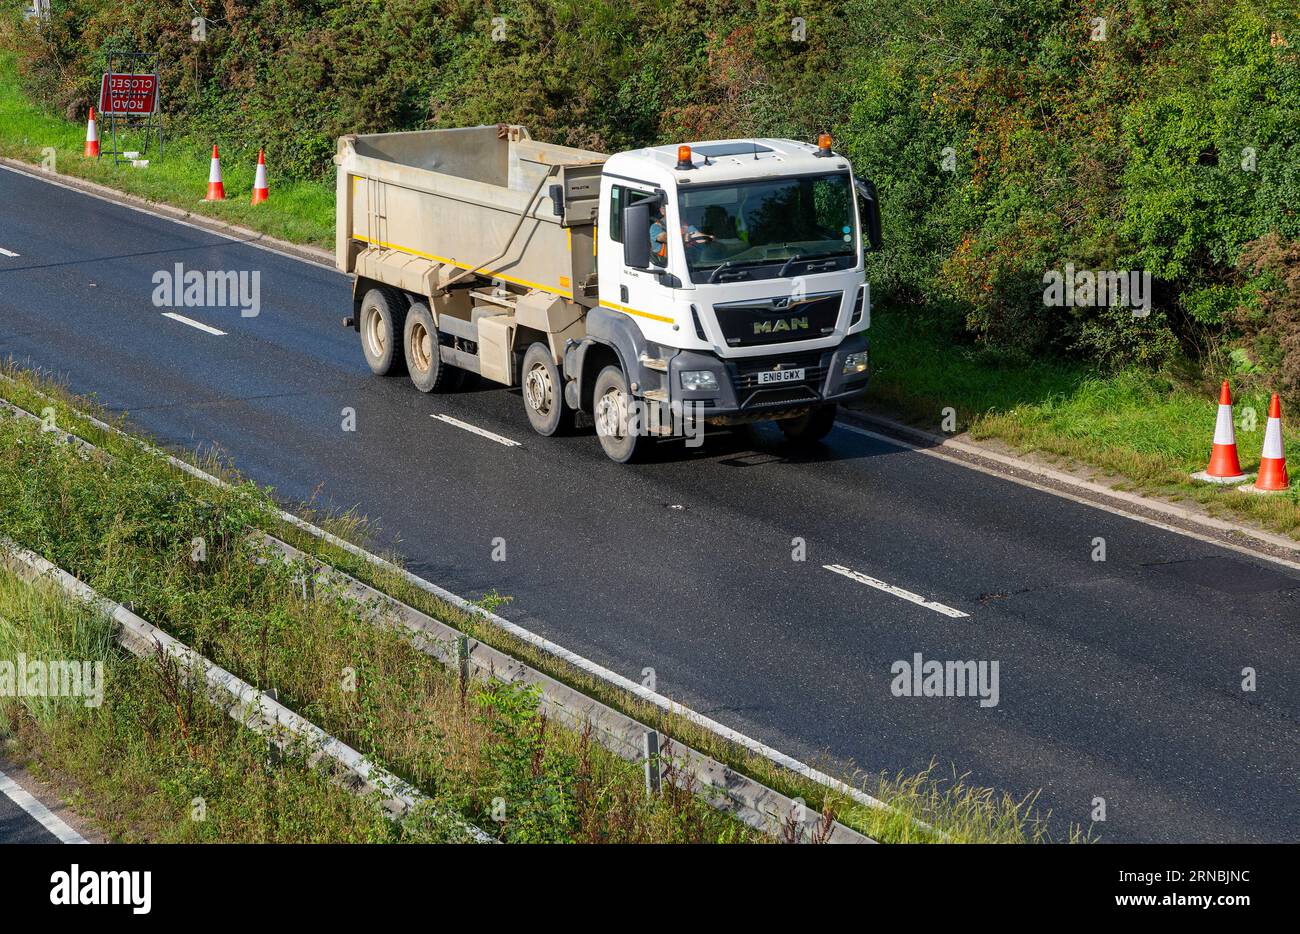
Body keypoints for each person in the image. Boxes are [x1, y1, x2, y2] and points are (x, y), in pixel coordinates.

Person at [648, 202, 713, 266]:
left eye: (680, 209)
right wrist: (684, 237)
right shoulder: (655, 227)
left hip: (686, 263)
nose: (678, 212)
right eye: (674, 209)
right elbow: (663, 237)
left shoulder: (684, 225)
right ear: (662, 211)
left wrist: (708, 237)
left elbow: (696, 235)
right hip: (664, 265)